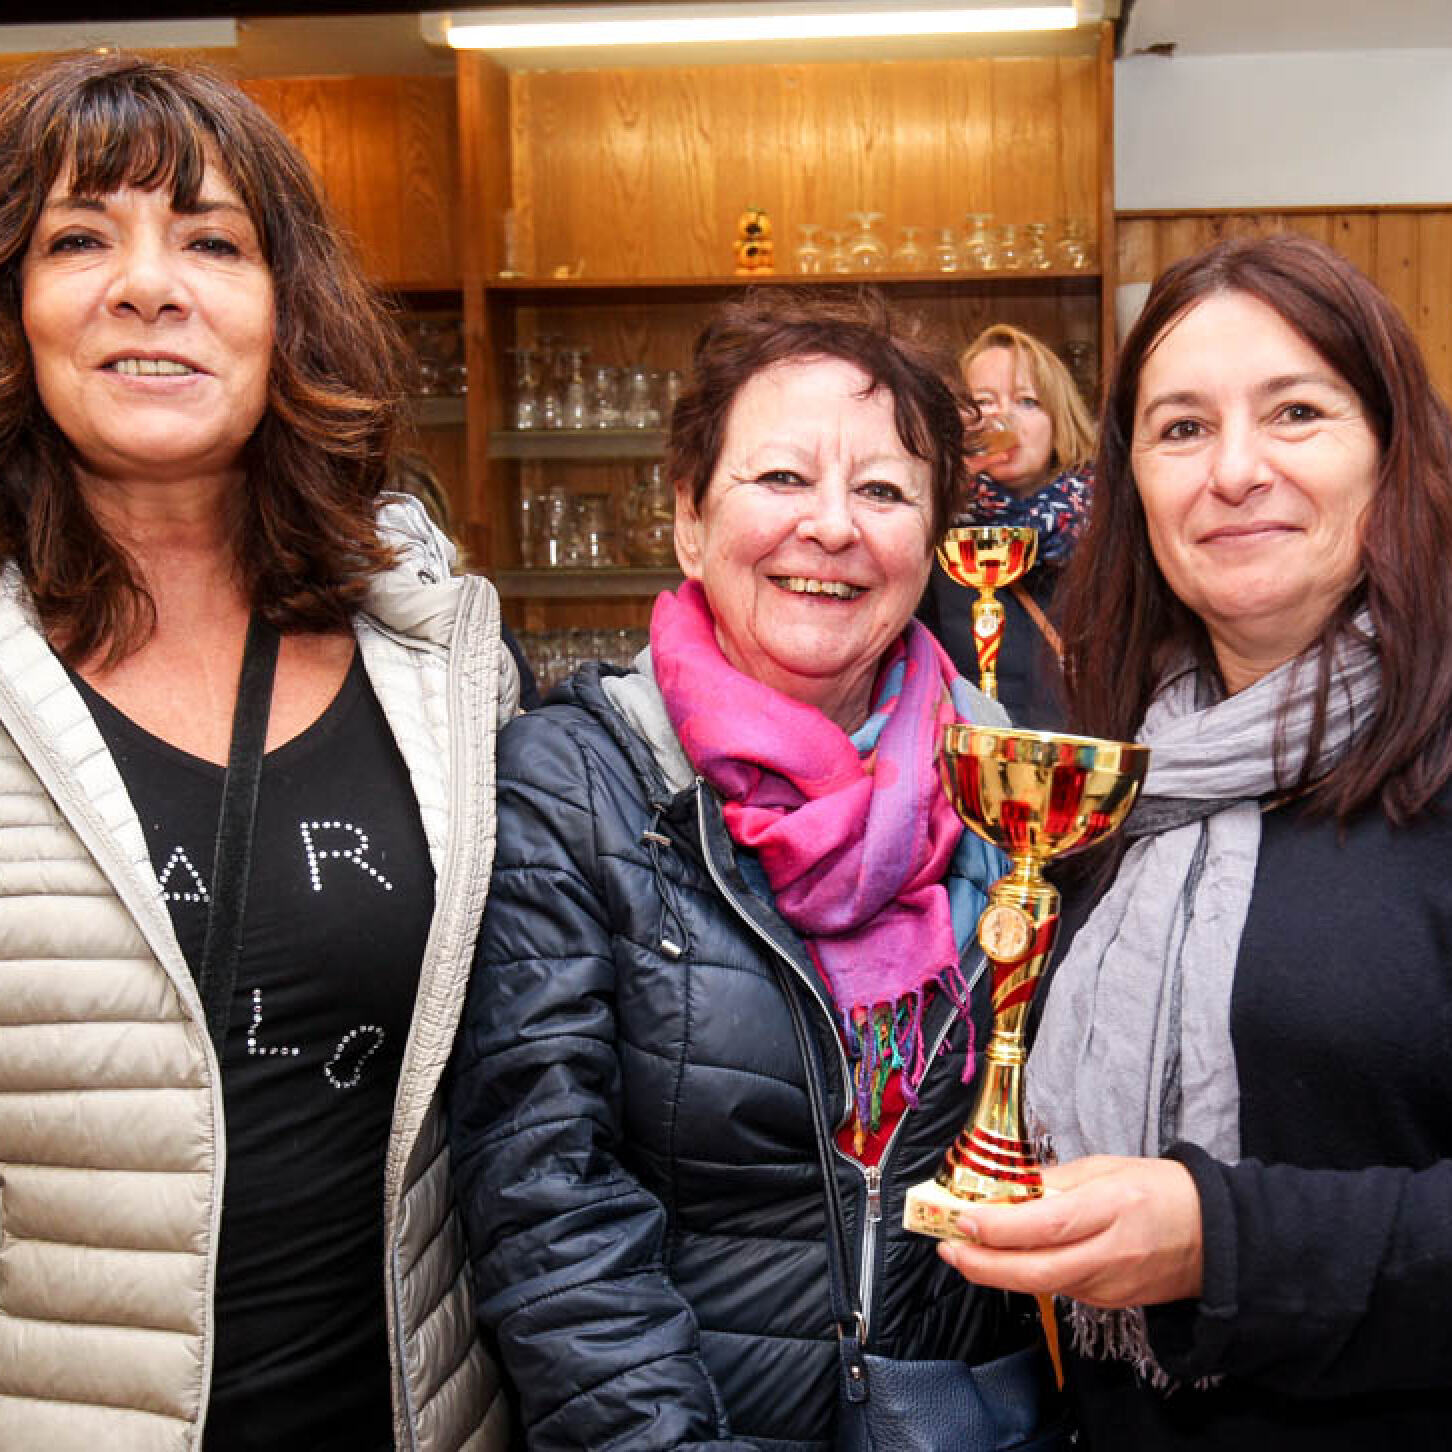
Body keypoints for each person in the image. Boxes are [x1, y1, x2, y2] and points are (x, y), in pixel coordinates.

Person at [0, 52, 516, 1450]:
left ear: (290, 308)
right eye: (77, 239)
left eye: (213, 242)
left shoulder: (439, 660)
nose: (147, 285)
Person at [448, 290, 1048, 1449]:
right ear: (689, 518)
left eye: (883, 491)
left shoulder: (1004, 781)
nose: (831, 527)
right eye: (781, 478)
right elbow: (546, 1195)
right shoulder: (576, 782)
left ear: (932, 539)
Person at [937, 234, 1452, 1449]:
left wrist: (1222, 1243)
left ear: (1392, 449)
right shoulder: (1120, 774)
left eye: (1296, 412)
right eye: (1181, 429)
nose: (1233, 471)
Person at [917, 322, 1095, 729]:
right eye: (984, 402)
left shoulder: (1104, 533)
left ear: (1059, 420)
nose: (1002, 417)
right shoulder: (934, 531)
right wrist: (943, 487)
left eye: (1027, 402)